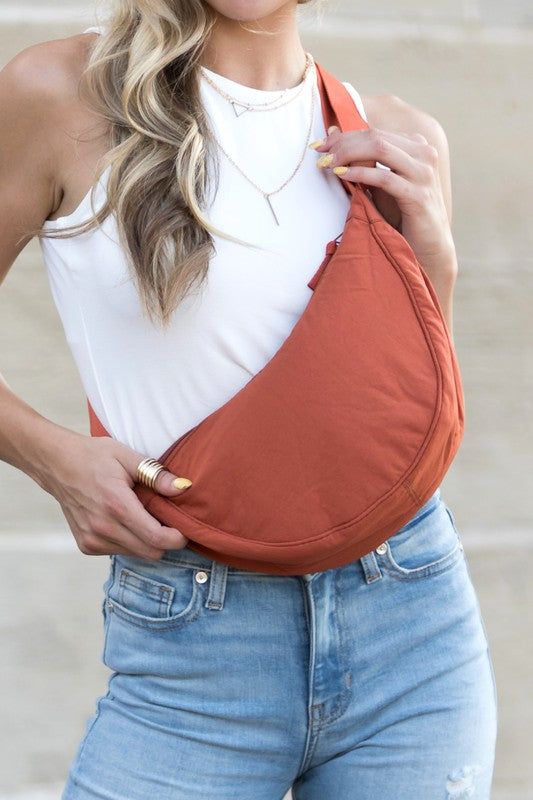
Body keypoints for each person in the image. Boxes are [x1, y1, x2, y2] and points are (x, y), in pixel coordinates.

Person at [0, 1, 497, 797]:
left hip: (411, 622)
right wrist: (54, 459)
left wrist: (434, 258)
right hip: (193, 637)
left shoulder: (392, 134)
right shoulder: (62, 95)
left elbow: (395, 402)